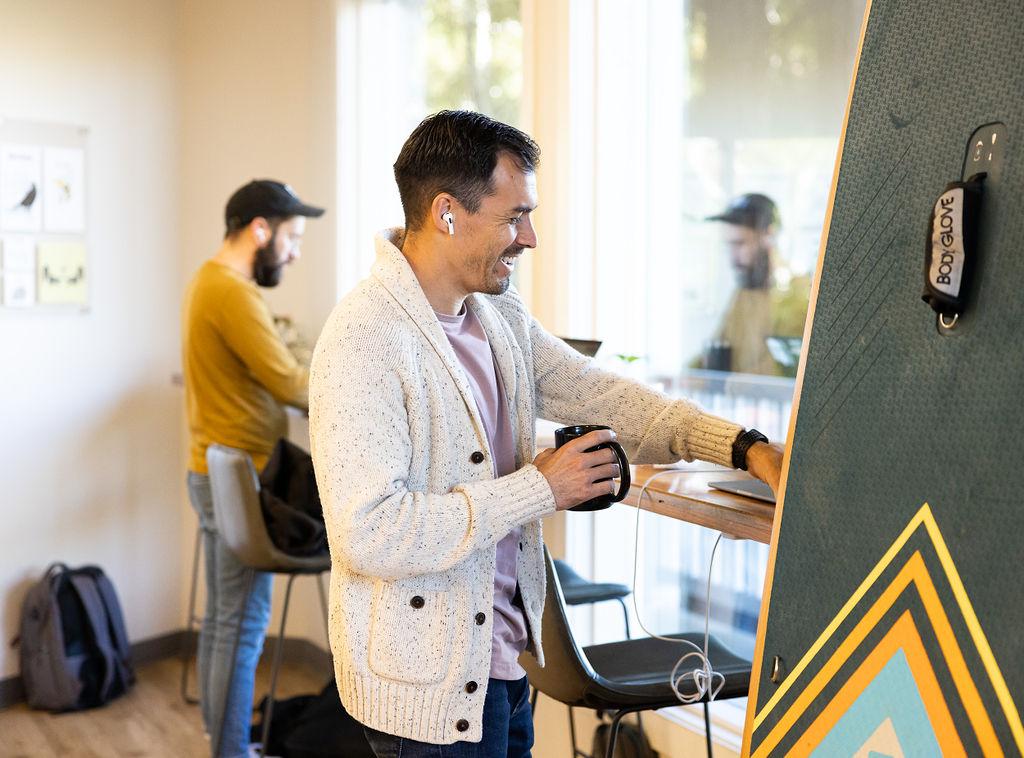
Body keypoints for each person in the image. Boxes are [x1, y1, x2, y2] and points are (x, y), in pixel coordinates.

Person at [308, 111, 782, 757]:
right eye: (513, 216)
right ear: (447, 213)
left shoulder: (493, 311)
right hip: (425, 692)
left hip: (504, 660)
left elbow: (600, 392)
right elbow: (371, 534)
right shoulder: (366, 337)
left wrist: (742, 446)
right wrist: (541, 488)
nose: (529, 237)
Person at [182, 179, 324, 758]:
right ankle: (233, 752)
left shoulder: (210, 282)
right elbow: (291, 383)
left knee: (225, 625)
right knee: (240, 628)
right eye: (291, 237)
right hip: (238, 482)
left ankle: (227, 747)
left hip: (216, 472)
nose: (294, 252)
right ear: (260, 229)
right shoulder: (232, 292)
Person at [704, 193, 809, 375]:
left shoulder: (798, 294)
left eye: (740, 244)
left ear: (768, 236)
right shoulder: (744, 294)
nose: (733, 258)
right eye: (729, 246)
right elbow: (716, 347)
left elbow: (788, 371)